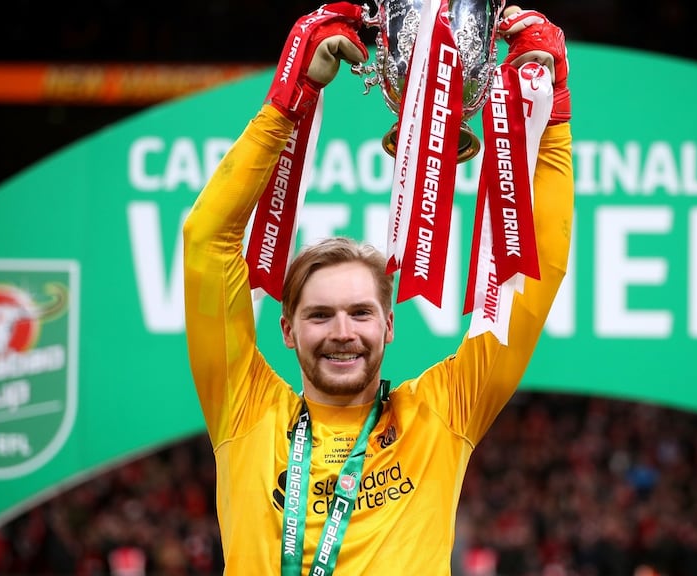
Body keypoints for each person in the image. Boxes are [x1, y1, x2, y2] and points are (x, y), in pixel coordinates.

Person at [181, 2, 574, 574]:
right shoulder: (243, 410)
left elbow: (537, 271)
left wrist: (552, 115)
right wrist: (290, 97)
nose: (343, 332)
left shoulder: (442, 414)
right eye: (320, 315)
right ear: (287, 329)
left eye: (361, 312)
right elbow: (206, 240)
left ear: (389, 325)